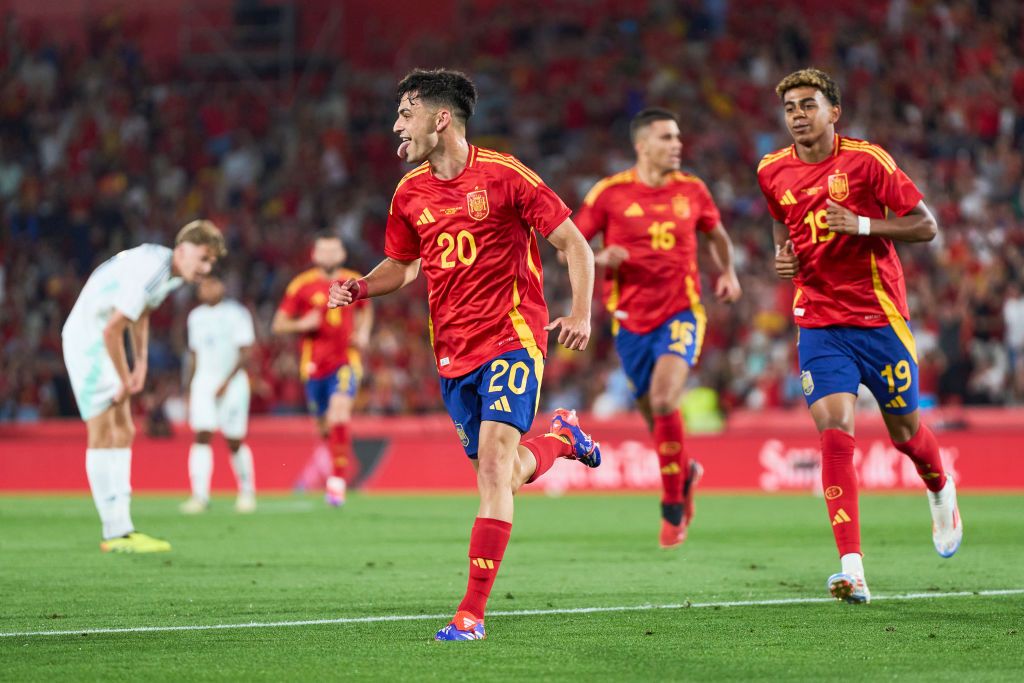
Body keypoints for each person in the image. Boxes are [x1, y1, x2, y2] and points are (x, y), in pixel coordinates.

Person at [329, 68, 600, 641]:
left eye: (406, 114)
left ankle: (471, 614)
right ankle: (561, 440)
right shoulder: (408, 193)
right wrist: (359, 286)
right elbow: (402, 267)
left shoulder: (505, 176)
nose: (396, 126)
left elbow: (572, 241)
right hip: (452, 353)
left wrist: (580, 312)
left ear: (440, 118)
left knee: (496, 467)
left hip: (512, 336)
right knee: (498, 474)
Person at [756, 68, 962, 604]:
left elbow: (926, 224)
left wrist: (865, 226)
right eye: (790, 108)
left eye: (808, 105)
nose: (798, 115)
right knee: (834, 431)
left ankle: (940, 487)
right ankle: (853, 568)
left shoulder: (868, 161)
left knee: (905, 434)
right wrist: (784, 254)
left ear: (833, 112)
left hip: (879, 319)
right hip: (819, 320)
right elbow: (781, 220)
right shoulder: (771, 169)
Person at [575, 108, 742, 549]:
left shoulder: (693, 190)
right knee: (654, 416)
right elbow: (568, 244)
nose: (677, 145)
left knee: (667, 397)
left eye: (678, 137)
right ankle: (684, 473)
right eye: (667, 137)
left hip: (681, 312)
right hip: (630, 323)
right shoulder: (610, 194)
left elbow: (717, 235)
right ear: (642, 144)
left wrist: (727, 273)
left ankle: (671, 505)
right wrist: (598, 255)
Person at [61, 219, 226, 553]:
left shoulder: (166, 269)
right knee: (104, 430)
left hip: (102, 338)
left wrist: (142, 363)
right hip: (89, 341)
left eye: (212, 262)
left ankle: (123, 528)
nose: (206, 268)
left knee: (124, 429)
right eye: (203, 258)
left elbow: (142, 313)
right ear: (183, 248)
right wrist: (125, 378)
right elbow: (112, 328)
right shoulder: (154, 269)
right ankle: (114, 532)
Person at [272, 232, 372, 507]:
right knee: (325, 426)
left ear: (342, 255)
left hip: (345, 360)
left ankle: (337, 483)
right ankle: (340, 465)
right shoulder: (301, 286)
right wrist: (302, 324)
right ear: (314, 255)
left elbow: (366, 309)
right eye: (323, 251)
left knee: (340, 411)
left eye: (333, 251)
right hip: (313, 366)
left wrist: (362, 333)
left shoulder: (354, 280)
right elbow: (278, 324)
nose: (328, 256)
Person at [180, 273, 257, 514]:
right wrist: (189, 386)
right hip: (204, 382)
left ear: (222, 285)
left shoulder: (236, 313)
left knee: (234, 440)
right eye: (203, 285)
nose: (208, 289)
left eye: (213, 283)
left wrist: (226, 380)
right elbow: (193, 354)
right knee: (202, 435)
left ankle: (246, 492)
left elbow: (245, 350)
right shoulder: (195, 317)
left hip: (232, 383)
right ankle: (199, 496)